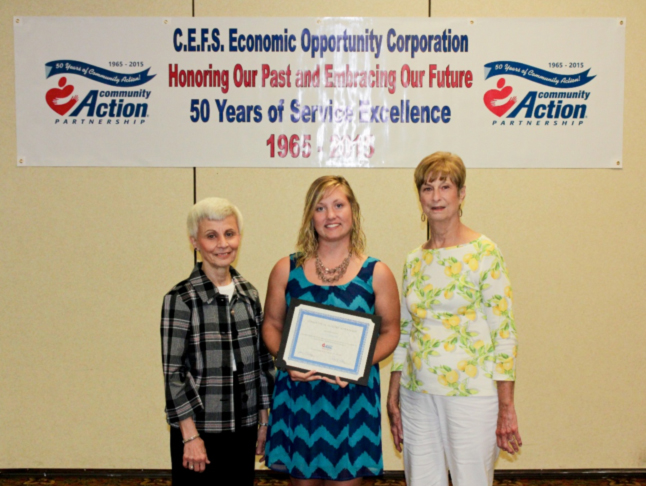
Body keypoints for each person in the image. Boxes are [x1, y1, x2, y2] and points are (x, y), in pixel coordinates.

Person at [387, 152, 521, 486]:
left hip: (472, 396)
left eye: (444, 187)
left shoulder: (485, 252)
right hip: (417, 395)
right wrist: (394, 393)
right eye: (427, 188)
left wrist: (507, 407)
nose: (435, 197)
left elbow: (504, 333)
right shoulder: (414, 260)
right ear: (419, 197)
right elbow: (405, 331)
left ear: (461, 194)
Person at [262, 175, 400, 486]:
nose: (331, 215)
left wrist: (357, 364)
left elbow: (391, 332)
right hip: (298, 395)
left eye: (339, 205)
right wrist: (289, 360)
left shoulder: (377, 273)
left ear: (354, 211)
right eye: (321, 208)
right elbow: (271, 325)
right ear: (310, 216)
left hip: (353, 399)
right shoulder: (287, 269)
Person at [160, 197, 275, 486]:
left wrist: (263, 421)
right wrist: (190, 436)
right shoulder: (180, 299)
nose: (223, 243)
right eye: (211, 236)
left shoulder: (250, 294)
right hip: (200, 430)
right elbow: (174, 373)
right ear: (194, 242)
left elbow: (263, 363)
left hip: (244, 427)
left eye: (229, 233)